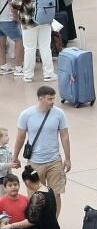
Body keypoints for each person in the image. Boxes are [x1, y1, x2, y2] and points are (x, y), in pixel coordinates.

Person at [11, 85, 70, 214]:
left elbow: (64, 136)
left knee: (56, 194)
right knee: (35, 195)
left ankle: (54, 221)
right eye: (49, 99)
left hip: (54, 160)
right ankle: (37, 222)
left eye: (53, 98)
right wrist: (15, 157)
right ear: (40, 98)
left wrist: (67, 158)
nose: (52, 102)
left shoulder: (59, 114)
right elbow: (20, 137)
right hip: (35, 162)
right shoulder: (26, 114)